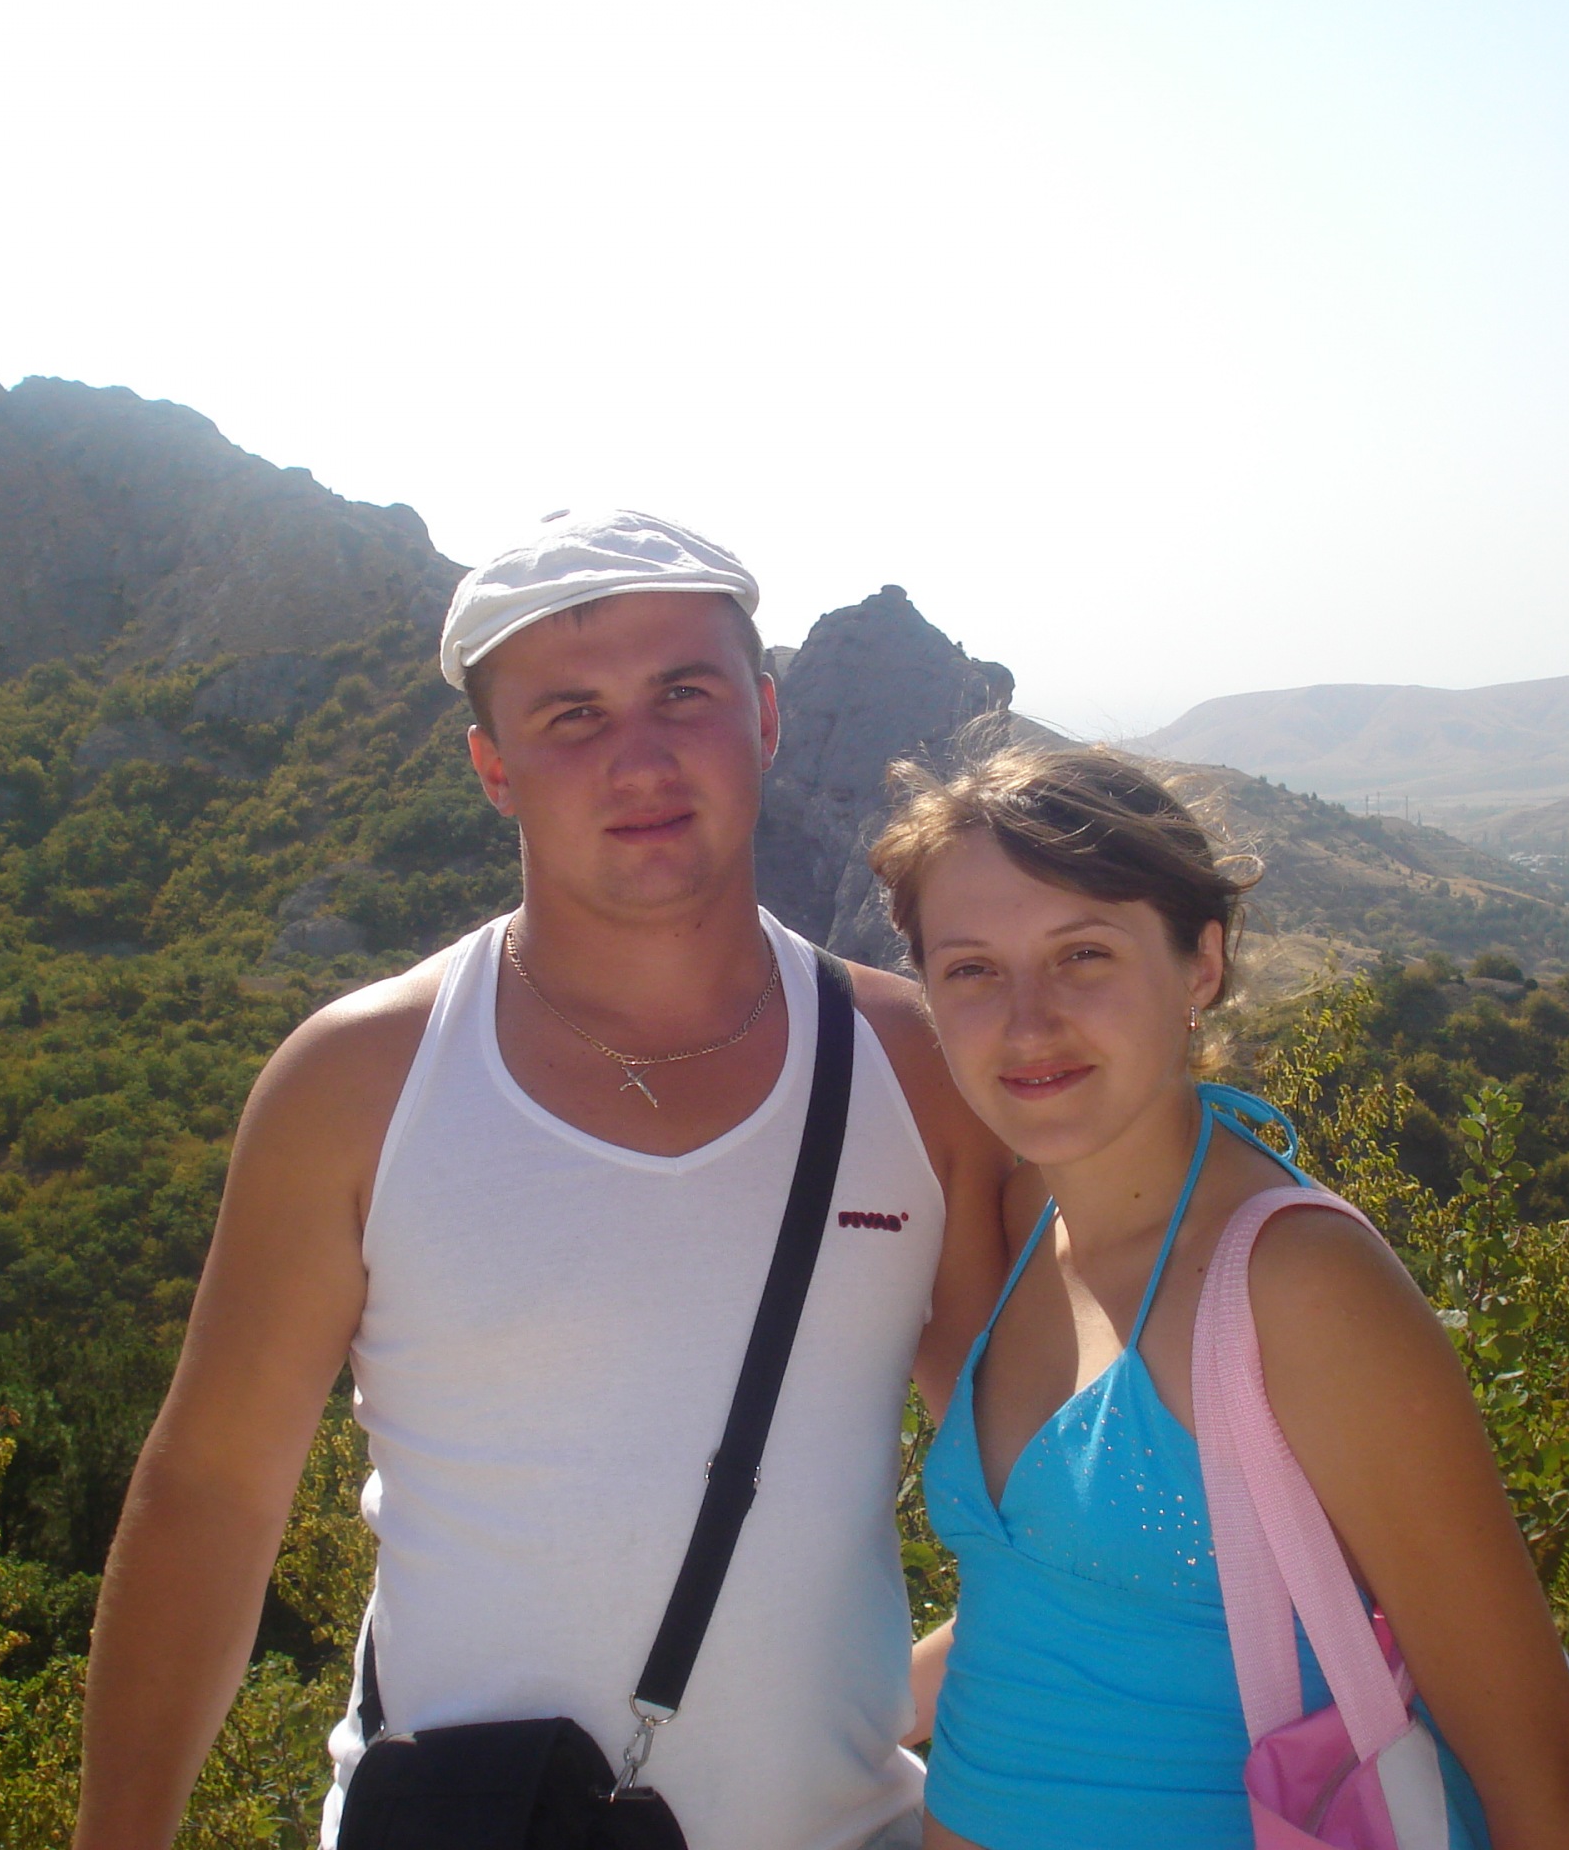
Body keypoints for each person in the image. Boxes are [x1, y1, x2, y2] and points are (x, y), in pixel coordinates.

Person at [73, 510, 1011, 1850]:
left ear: (764, 716)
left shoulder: (918, 1070)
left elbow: (1046, 1506)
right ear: (493, 767)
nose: (640, 758)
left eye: (683, 694)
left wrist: (909, 1728)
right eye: (572, 715)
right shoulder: (357, 1084)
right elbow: (210, 1500)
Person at [868, 743, 1569, 1850]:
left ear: (1201, 966)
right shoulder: (1024, 1225)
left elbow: (1544, 1782)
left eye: (1084, 954)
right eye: (973, 969)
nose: (1027, 1023)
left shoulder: (1296, 1284)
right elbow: (1047, 1610)